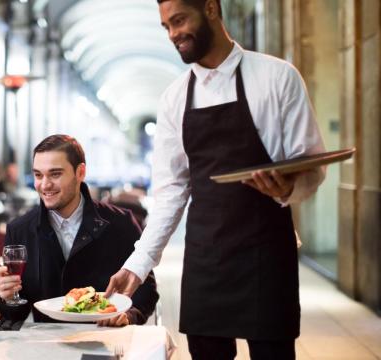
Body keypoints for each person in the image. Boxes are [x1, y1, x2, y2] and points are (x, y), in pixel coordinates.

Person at [105, 0, 326, 358]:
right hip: (206, 258)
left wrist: (290, 187)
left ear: (211, 8)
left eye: (179, 21)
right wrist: (137, 265)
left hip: (267, 253)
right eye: (166, 27)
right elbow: (171, 193)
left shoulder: (277, 77)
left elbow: (312, 163)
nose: (174, 34)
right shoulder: (175, 98)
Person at [0, 135, 159, 326]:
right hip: (47, 346)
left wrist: (129, 315)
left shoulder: (121, 223)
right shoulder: (19, 230)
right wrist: (7, 297)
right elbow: (16, 315)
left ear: (80, 172)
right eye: (38, 175)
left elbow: (147, 290)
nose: (45, 185)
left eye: (55, 174)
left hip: (105, 339)